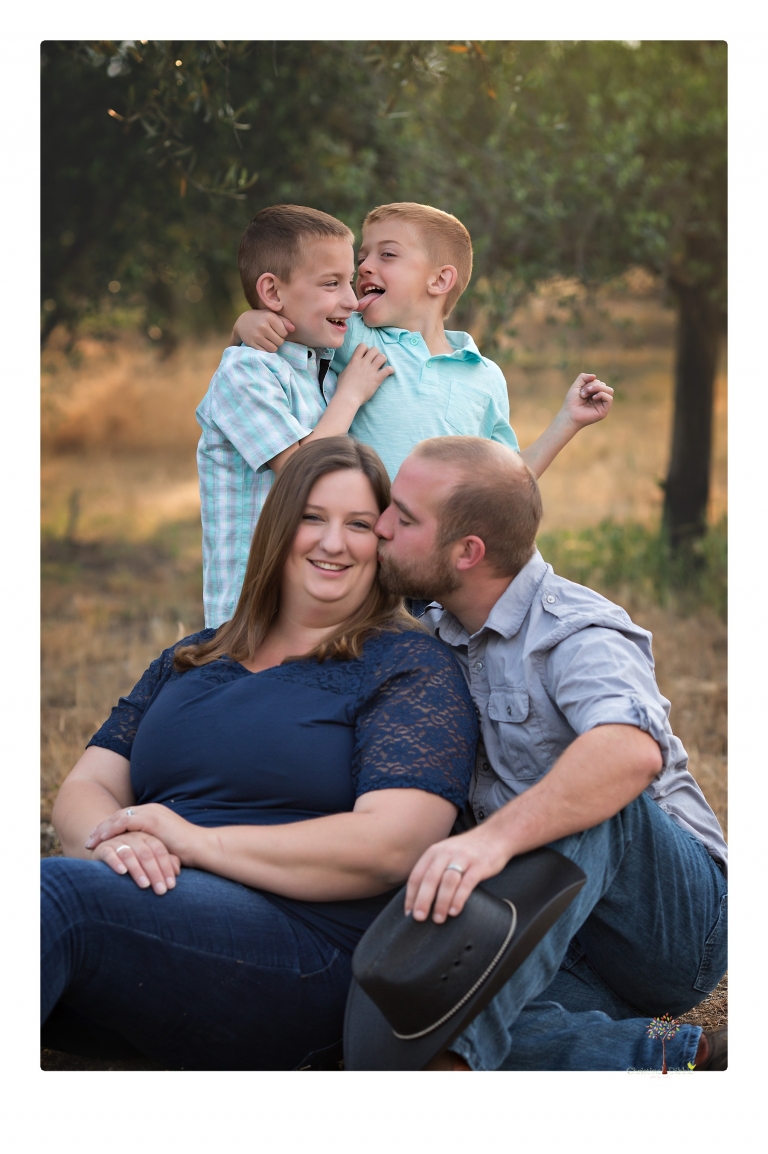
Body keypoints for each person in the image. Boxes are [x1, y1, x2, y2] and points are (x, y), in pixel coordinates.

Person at [42, 439, 479, 1071]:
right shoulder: (194, 656)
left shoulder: (407, 666)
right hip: (145, 915)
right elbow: (87, 788)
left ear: (382, 542)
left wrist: (195, 844)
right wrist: (115, 846)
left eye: (359, 524)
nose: (334, 543)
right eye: (312, 517)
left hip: (306, 956)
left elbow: (393, 845)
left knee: (54, 899)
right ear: (278, 526)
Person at [373, 435, 728, 1072]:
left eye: (403, 518)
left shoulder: (577, 631)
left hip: (672, 929)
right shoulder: (431, 633)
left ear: (467, 552)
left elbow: (629, 754)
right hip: (555, 935)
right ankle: (668, 1055)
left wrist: (490, 842)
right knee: (409, 1003)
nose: (380, 526)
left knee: (597, 788)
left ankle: (455, 1058)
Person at [226, 200, 613, 618]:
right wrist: (246, 324)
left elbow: (507, 480)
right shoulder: (355, 334)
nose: (365, 268)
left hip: (436, 566)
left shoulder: (483, 376)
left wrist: (568, 421)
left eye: (387, 255)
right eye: (363, 257)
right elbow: (297, 316)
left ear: (440, 279)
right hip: (363, 558)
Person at [197, 205, 395, 628]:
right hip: (254, 614)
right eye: (331, 283)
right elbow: (300, 473)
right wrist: (351, 394)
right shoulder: (244, 372)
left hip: (315, 602)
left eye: (350, 281)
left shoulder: (320, 366)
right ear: (272, 292)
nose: (351, 300)